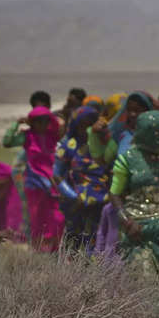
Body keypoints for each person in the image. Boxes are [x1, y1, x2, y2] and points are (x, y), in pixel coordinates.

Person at [109, 110, 159, 286]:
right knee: (145, 279)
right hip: (137, 230)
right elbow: (115, 193)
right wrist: (126, 221)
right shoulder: (128, 159)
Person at [53, 106, 111, 254]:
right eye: (82, 124)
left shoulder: (105, 144)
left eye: (90, 124)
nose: (86, 129)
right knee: (74, 240)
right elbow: (57, 174)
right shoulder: (69, 145)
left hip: (103, 200)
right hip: (77, 203)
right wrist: (73, 196)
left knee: (99, 238)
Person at [1, 90, 53, 240]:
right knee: (30, 209)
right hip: (28, 175)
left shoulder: (54, 129)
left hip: (50, 175)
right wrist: (16, 123)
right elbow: (7, 142)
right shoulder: (28, 134)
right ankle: (33, 242)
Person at [21, 107, 64, 252]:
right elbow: (8, 141)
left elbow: (57, 125)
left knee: (55, 215)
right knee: (36, 217)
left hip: (51, 182)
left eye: (45, 121)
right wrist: (17, 124)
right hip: (34, 183)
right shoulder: (27, 137)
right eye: (38, 121)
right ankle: (38, 249)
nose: (42, 124)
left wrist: (49, 116)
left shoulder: (51, 137)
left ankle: (54, 247)